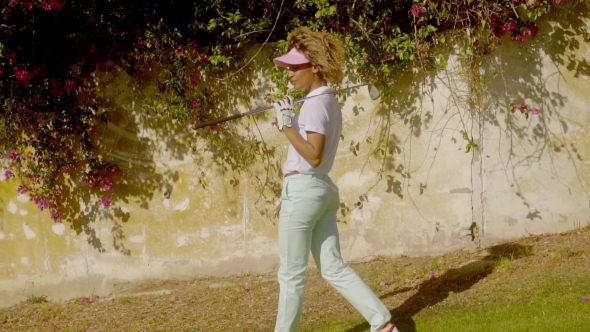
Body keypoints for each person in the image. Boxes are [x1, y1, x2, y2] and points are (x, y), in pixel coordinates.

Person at [271, 27, 399, 332]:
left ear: (315, 66)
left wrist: (286, 125)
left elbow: (313, 156)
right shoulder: (324, 100)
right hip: (318, 190)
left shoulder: (315, 104)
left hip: (305, 189)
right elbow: (311, 162)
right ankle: (382, 324)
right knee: (332, 267)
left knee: (291, 275)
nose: (289, 73)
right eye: (288, 67)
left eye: (295, 67)